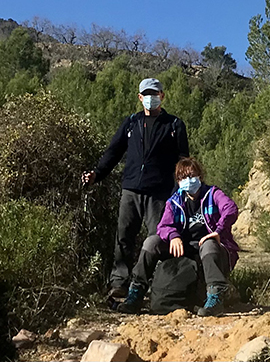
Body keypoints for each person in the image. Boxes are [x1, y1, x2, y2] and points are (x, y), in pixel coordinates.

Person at [82, 78, 189, 299]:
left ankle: (155, 286)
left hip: (159, 193)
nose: (151, 98)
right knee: (124, 238)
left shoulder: (174, 125)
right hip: (130, 190)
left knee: (157, 240)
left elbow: (183, 160)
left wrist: (179, 190)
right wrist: (97, 174)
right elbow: (113, 152)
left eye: (155, 93)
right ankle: (119, 283)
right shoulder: (131, 123)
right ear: (140, 97)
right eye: (147, 94)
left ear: (162, 96)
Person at [118, 157, 239, 316]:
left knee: (209, 243)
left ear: (200, 176)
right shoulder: (175, 202)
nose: (187, 181)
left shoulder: (213, 194)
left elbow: (230, 208)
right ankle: (135, 294)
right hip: (184, 248)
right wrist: (173, 236)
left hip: (212, 249)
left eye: (191, 176)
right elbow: (163, 226)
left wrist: (218, 231)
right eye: (182, 178)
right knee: (151, 242)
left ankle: (215, 297)